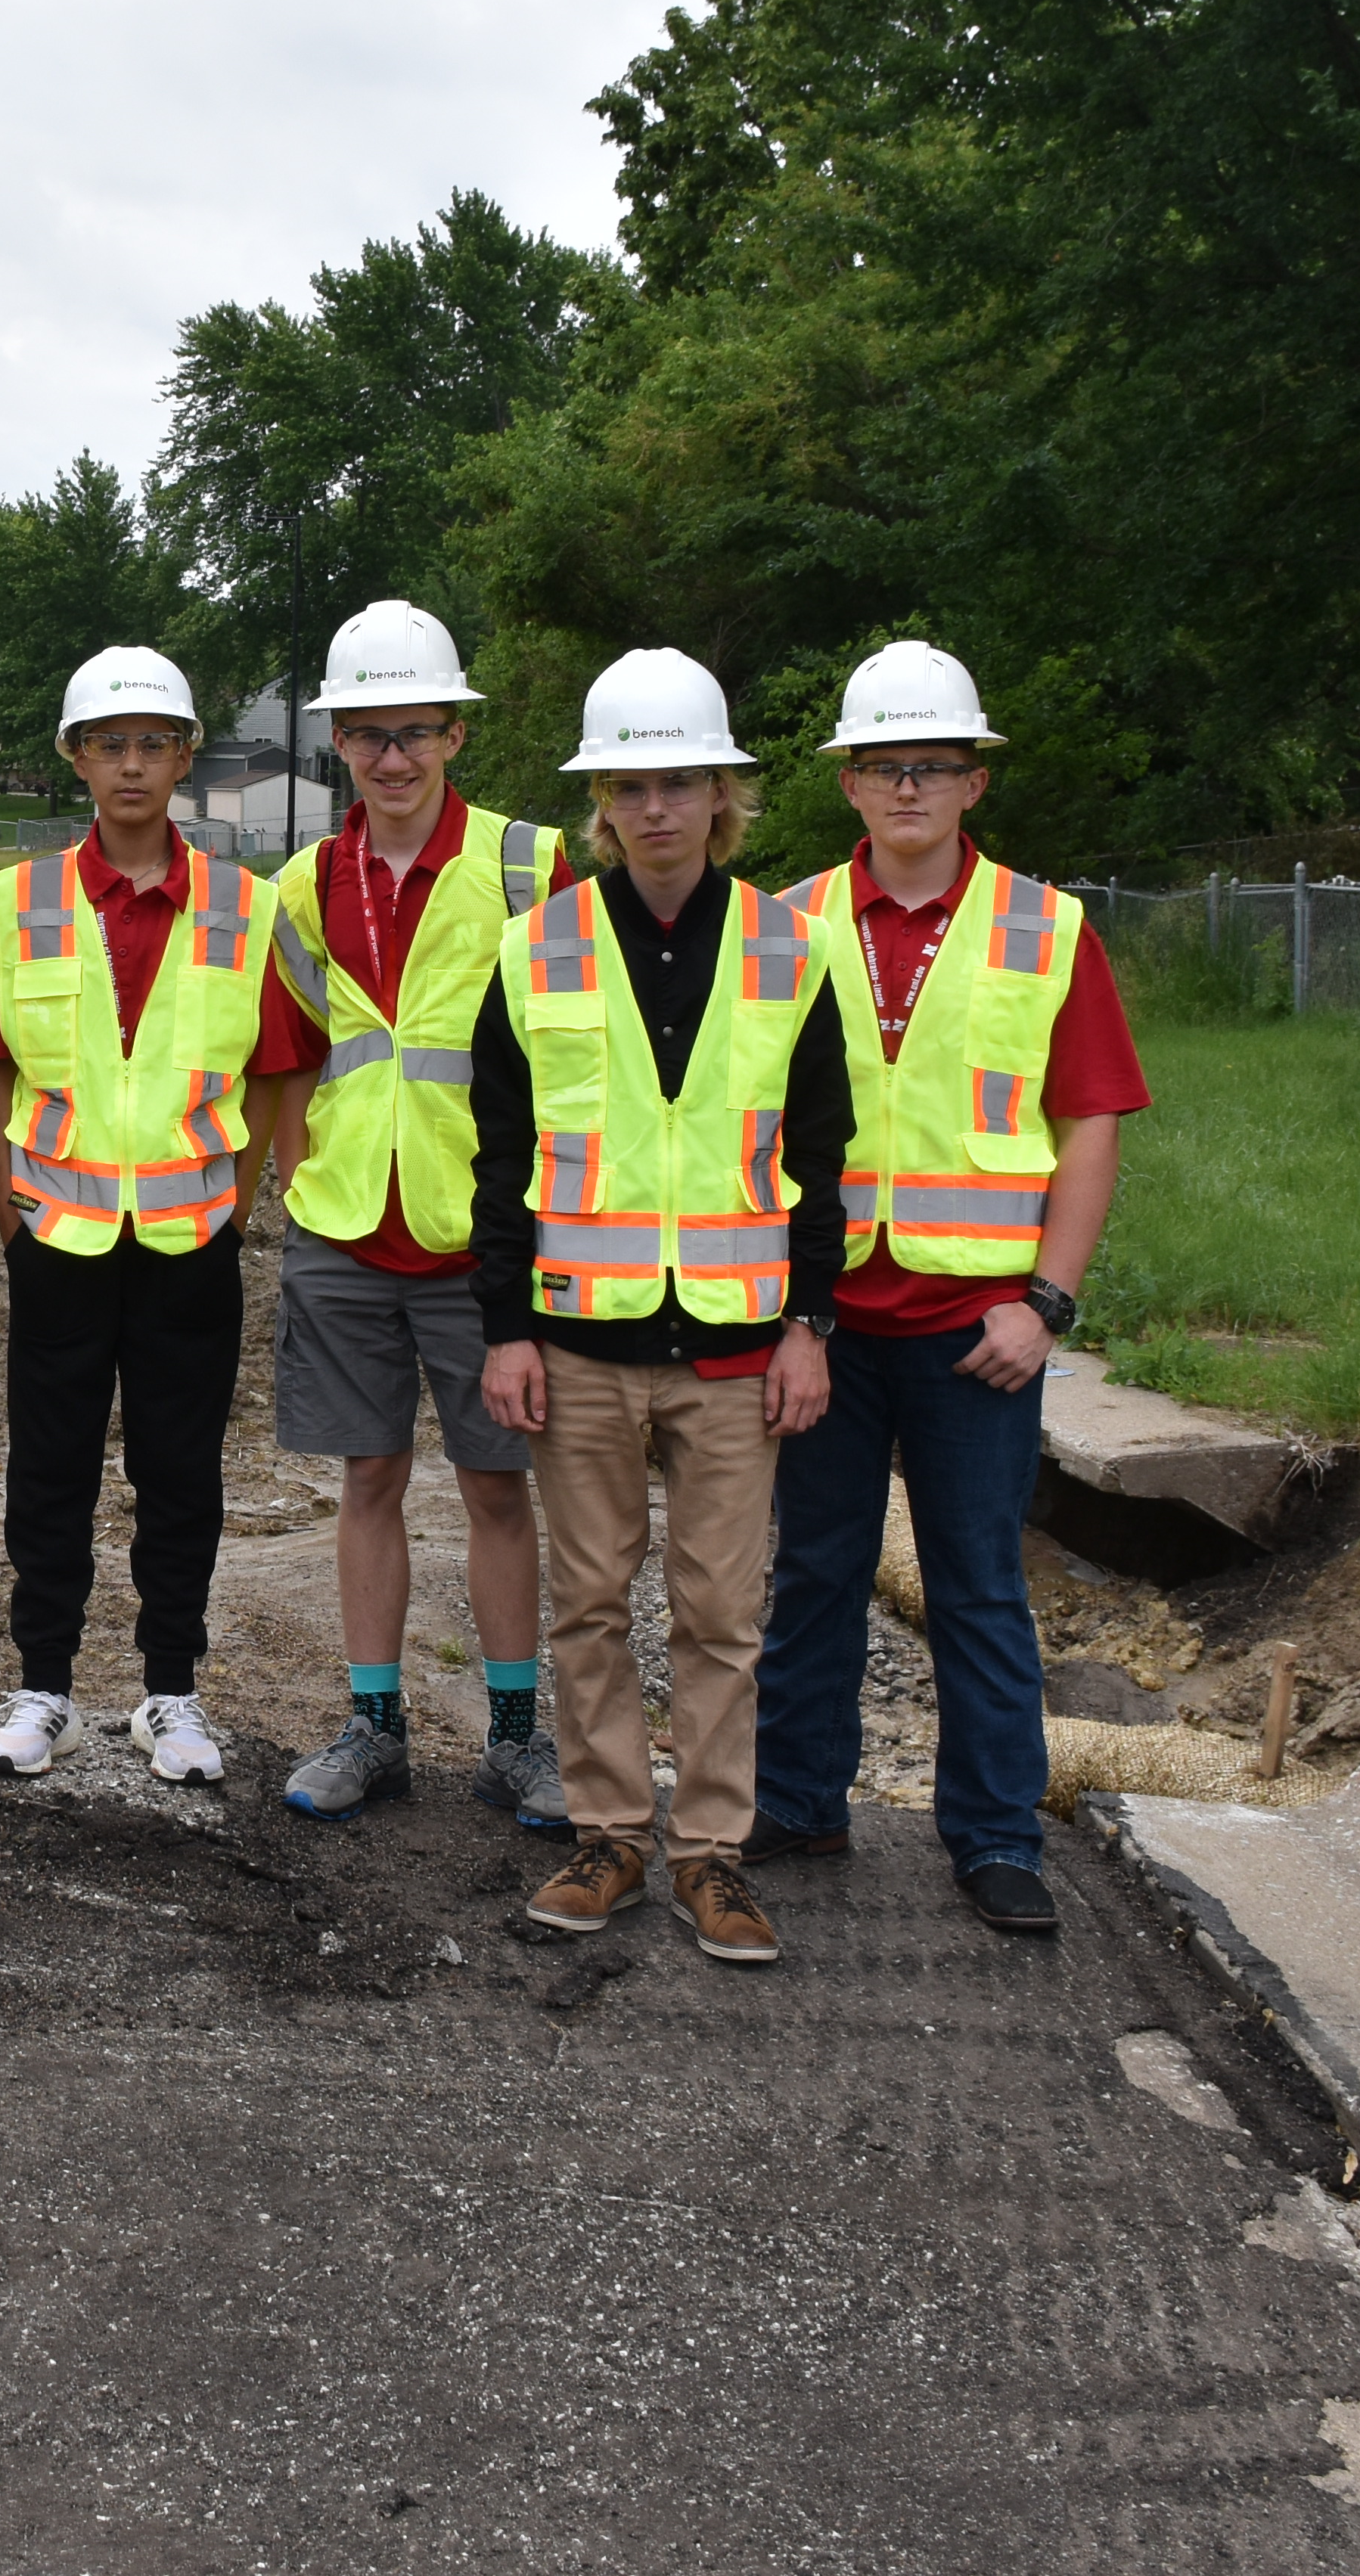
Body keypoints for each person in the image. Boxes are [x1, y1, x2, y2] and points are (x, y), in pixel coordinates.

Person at [753, 640, 1148, 1936]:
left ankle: (993, 1838)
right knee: (816, 1571)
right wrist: (785, 1311)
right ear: (849, 785)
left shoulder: (1046, 929)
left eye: (933, 765)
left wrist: (1047, 1302)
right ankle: (801, 1805)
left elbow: (1089, 1122)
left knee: (978, 1583)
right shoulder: (791, 925)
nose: (907, 786)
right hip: (826, 1324)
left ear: (975, 782)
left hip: (979, 1332)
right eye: (882, 766)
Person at [468, 650, 849, 1963]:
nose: (659, 806)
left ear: (721, 793)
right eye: (633, 785)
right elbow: (504, 1158)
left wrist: (812, 1325)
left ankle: (712, 1856)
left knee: (720, 1613)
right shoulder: (537, 951)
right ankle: (610, 1837)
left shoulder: (793, 949)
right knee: (586, 1601)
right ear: (604, 803)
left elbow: (821, 1153)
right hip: (580, 1340)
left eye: (681, 780)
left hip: (740, 1350)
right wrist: (505, 1327)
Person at [256, 601, 570, 1828]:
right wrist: (300, 1183)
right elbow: (291, 1055)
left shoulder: (527, 867)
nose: (394, 757)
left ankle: (512, 1735)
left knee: (498, 1490)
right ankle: (374, 1725)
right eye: (370, 734)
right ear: (337, 739)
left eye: (417, 732)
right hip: (346, 1233)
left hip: (484, 1245)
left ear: (454, 736)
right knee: (368, 1480)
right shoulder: (298, 884)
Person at [0, 649, 303, 1786]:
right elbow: (0, 1064)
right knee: (48, 1470)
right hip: (55, 1237)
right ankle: (42, 1688)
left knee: (181, 1474)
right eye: (109, 743)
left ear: (186, 758)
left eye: (154, 743)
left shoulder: (247, 908)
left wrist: (235, 1206)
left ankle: (172, 1694)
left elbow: (272, 1078)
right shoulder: (19, 901)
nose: (131, 764)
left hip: (189, 1242)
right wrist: (10, 1202)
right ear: (74, 758)